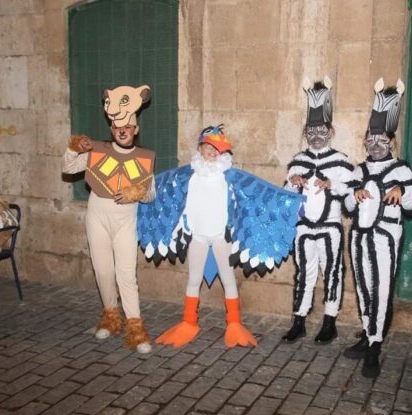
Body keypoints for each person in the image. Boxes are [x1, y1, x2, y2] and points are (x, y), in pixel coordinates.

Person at [137, 124, 304, 348]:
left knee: (228, 278)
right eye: (209, 146)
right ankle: (189, 322)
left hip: (220, 237)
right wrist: (134, 189)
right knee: (193, 279)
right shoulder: (186, 175)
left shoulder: (231, 177)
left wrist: (292, 199)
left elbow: (261, 192)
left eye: (218, 148)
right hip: (197, 235)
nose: (214, 151)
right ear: (200, 147)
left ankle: (234, 323)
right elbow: (161, 187)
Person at [62, 85, 155, 354]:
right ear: (112, 129)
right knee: (102, 270)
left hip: (125, 220)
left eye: (127, 127)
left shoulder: (145, 157)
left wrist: (137, 191)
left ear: (135, 130)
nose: (122, 131)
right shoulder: (96, 151)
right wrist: (73, 149)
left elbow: (150, 195)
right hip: (97, 215)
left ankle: (136, 329)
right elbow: (67, 169)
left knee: (126, 274)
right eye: (117, 128)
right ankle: (111, 317)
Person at [343, 78, 412, 378]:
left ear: (391, 140)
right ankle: (367, 333)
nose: (375, 144)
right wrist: (354, 194)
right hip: (360, 239)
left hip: (385, 240)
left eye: (381, 139)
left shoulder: (402, 169)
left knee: (382, 289)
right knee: (363, 286)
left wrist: (402, 192)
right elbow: (347, 206)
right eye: (370, 139)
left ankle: (375, 345)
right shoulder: (358, 170)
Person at [282, 76, 355, 345]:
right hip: (303, 229)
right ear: (305, 132)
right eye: (310, 131)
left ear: (330, 131)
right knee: (303, 272)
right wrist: (292, 182)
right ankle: (299, 320)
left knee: (332, 271)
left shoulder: (341, 161)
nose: (315, 136)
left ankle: (330, 321)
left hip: (329, 228)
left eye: (320, 130)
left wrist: (332, 183)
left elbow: (351, 194)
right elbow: (286, 196)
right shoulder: (297, 161)